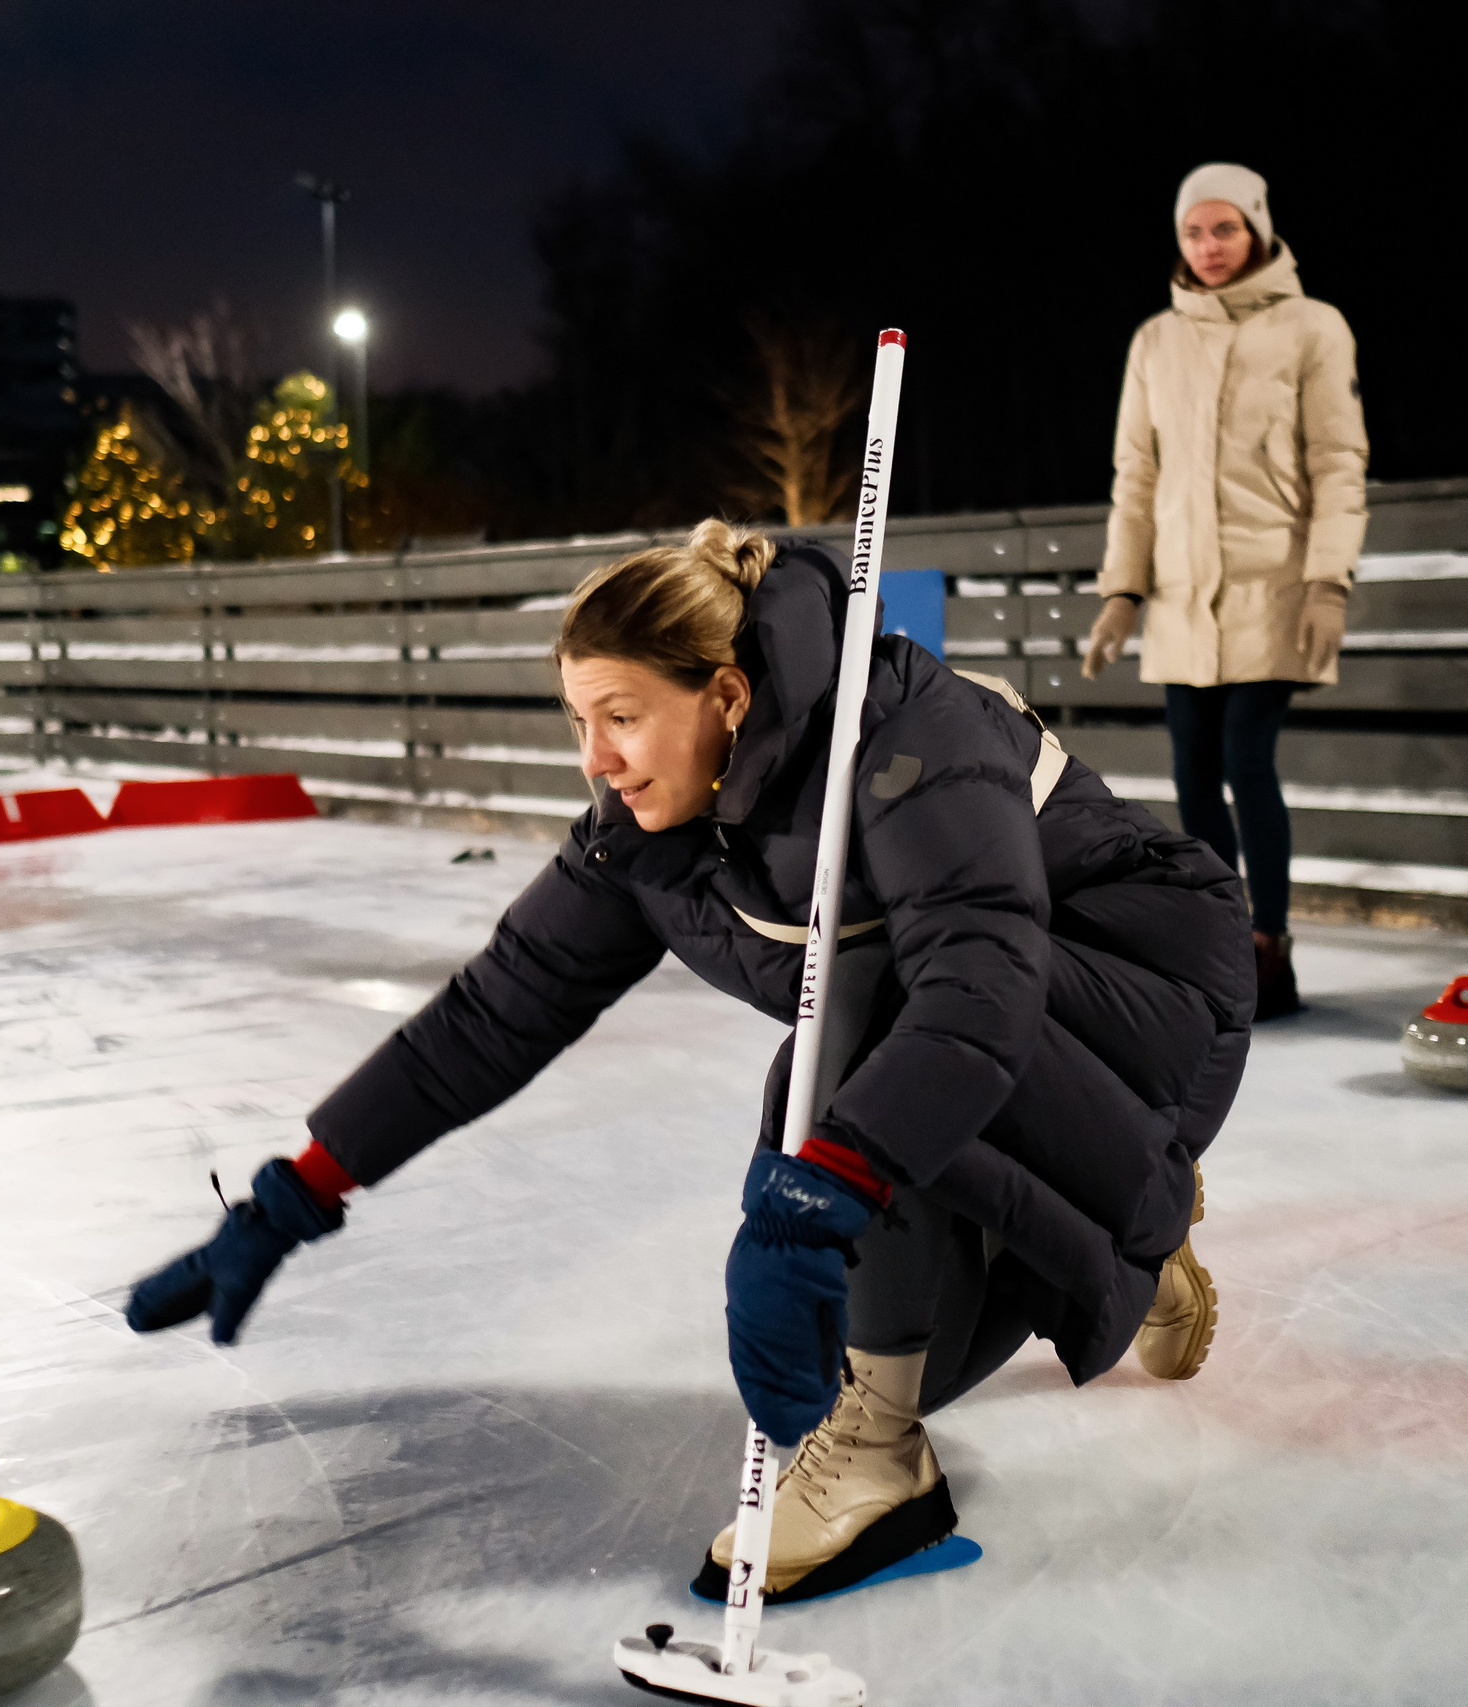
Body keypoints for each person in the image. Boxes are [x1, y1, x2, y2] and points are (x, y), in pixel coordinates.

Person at [125, 520, 1255, 1602]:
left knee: (851, 1033)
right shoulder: (645, 828)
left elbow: (979, 989)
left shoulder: (908, 734)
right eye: (579, 721)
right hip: (981, 1059)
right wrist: (300, 1190)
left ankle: (881, 1455)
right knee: (868, 1178)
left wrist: (821, 1196)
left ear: (724, 695)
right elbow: (490, 1015)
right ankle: (1136, 1218)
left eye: (620, 716)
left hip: (1147, 997)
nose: (597, 759)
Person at [1081, 161, 1369, 1021]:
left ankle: (1267, 946)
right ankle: (1218, 941)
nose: (1209, 247)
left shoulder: (1313, 327)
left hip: (1273, 586)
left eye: (1225, 229)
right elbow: (1135, 476)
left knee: (1248, 757)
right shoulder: (1154, 341)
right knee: (1194, 775)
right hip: (1180, 594)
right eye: (1193, 232)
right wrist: (1122, 590)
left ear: (1258, 229)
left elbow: (1338, 461)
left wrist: (1328, 578)